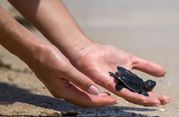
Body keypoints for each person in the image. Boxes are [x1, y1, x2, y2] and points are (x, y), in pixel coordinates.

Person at [0, 0, 170, 107]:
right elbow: (120, 77)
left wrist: (82, 48)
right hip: (124, 77)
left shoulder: (141, 88)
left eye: (149, 85)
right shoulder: (141, 88)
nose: (149, 86)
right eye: (149, 86)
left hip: (125, 77)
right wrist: (33, 52)